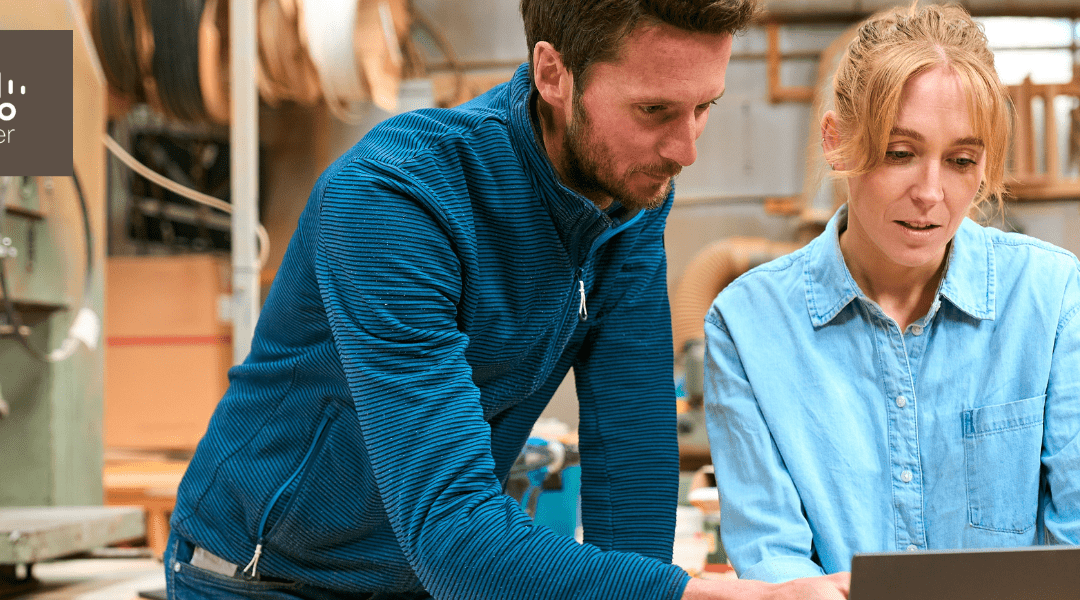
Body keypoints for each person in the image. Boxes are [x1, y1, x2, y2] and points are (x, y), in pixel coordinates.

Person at [164, 1, 850, 598]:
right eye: (654, 111)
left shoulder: (631, 197)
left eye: (705, 107)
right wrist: (698, 597)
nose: (685, 149)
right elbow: (453, 533)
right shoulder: (396, 198)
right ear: (553, 73)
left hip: (418, 582)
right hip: (259, 578)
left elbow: (630, 452)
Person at [703, 1, 1080, 584]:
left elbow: (1073, 546)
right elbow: (776, 568)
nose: (931, 193)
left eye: (960, 160)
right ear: (835, 142)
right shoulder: (749, 326)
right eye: (899, 153)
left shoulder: (1051, 298)